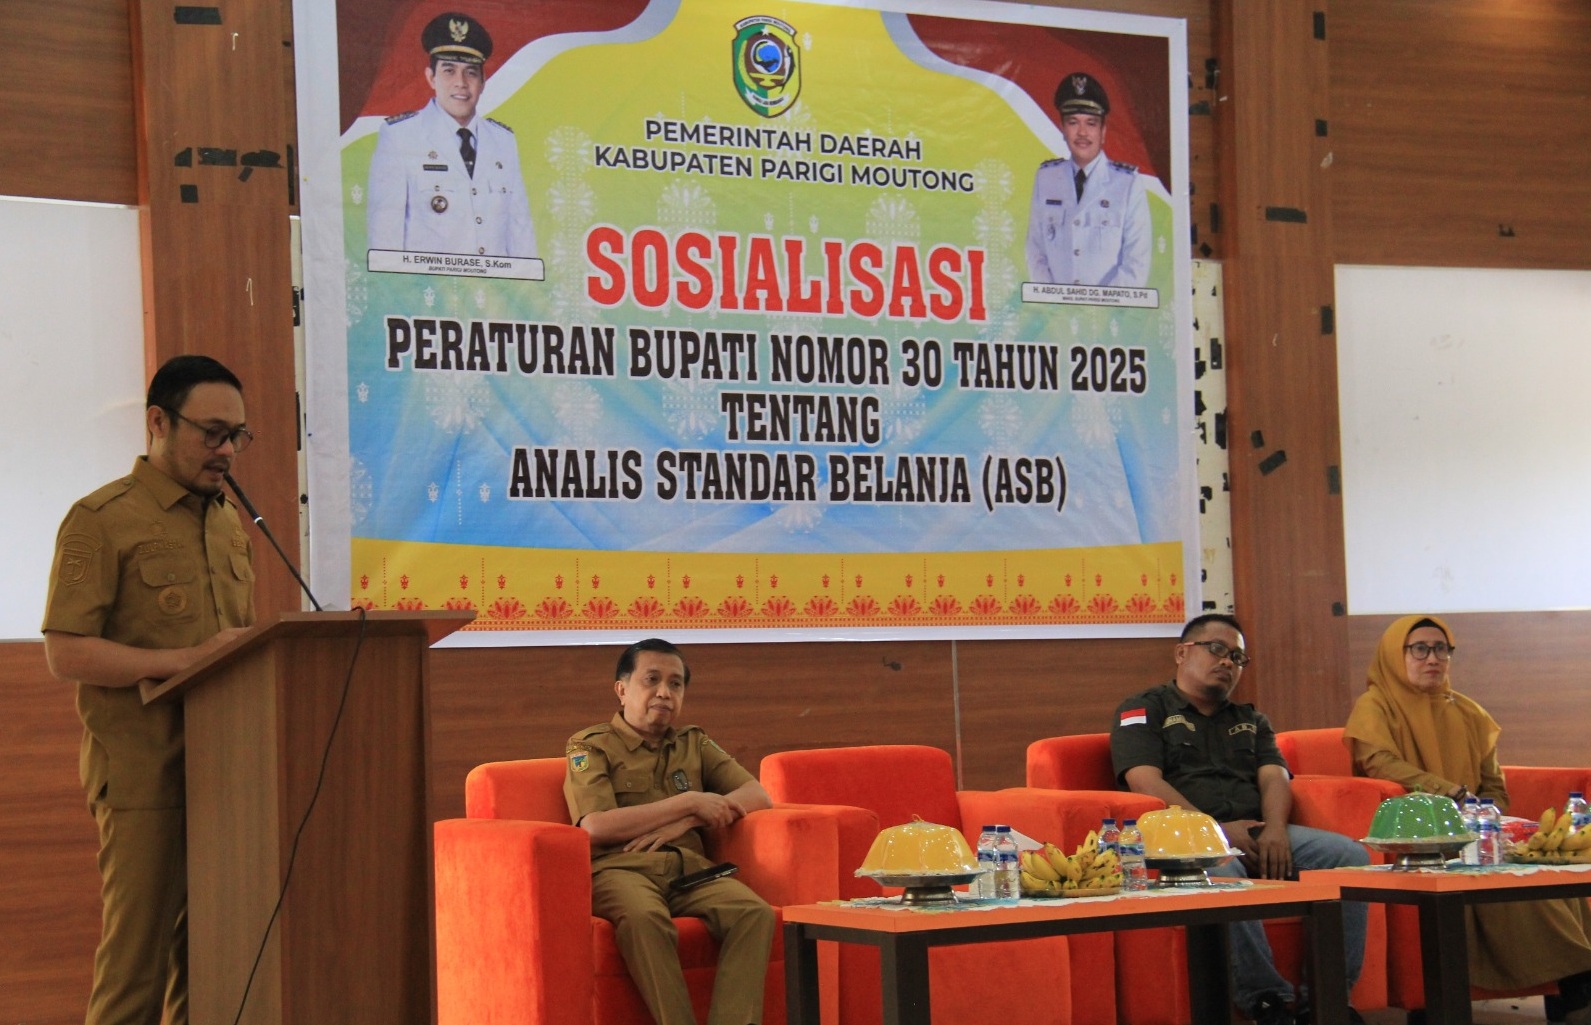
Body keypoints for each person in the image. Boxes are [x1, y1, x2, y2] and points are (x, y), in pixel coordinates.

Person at [42, 355, 257, 1025]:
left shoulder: (228, 521)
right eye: (212, 433)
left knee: (214, 964)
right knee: (136, 971)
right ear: (159, 422)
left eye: (237, 436)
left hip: (227, 774)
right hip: (143, 774)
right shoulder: (101, 519)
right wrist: (183, 660)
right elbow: (65, 651)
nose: (226, 451)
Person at [1111, 613, 1370, 1025]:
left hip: (1255, 831)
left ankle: (1328, 1001)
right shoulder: (1144, 709)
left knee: (1349, 857)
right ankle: (1266, 1000)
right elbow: (1144, 781)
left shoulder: (1250, 720)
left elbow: (1274, 777)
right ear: (1181, 653)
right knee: (1220, 868)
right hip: (1187, 841)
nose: (1227, 662)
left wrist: (1277, 830)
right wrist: (1212, 831)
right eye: (1217, 649)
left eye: (1237, 657)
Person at [1345, 614, 1591, 1025]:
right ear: (1394, 655)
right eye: (1419, 649)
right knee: (1520, 891)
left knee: (1546, 876)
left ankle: (1573, 992)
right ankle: (1577, 984)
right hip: (1420, 833)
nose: (1432, 658)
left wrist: (1490, 816)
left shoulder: (1467, 711)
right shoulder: (1377, 706)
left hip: (1476, 831)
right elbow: (1378, 762)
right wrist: (1449, 794)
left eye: (1441, 649)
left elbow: (1492, 781)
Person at [563, 638, 775, 1025]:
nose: (664, 692)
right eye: (652, 680)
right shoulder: (590, 746)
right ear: (622, 689)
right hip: (621, 870)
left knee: (754, 914)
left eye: (675, 684)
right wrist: (688, 801)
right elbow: (595, 825)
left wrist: (690, 820)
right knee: (645, 919)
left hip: (690, 870)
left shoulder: (694, 743)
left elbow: (757, 794)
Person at [366, 11, 537, 258]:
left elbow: (521, 236)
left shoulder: (503, 141)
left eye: (471, 72)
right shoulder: (400, 137)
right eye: (449, 70)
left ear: (483, 81)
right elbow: (384, 242)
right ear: (431, 77)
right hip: (428, 283)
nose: (461, 83)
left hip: (494, 282)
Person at [1025, 71, 1152, 288]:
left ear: (1103, 132)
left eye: (1091, 123)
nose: (1082, 133)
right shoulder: (1046, 178)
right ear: (1063, 129)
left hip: (1110, 307)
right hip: (1056, 307)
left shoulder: (1127, 184)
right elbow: (1035, 251)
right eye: (1073, 122)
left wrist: (1097, 304)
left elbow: (1136, 263)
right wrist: (1054, 301)